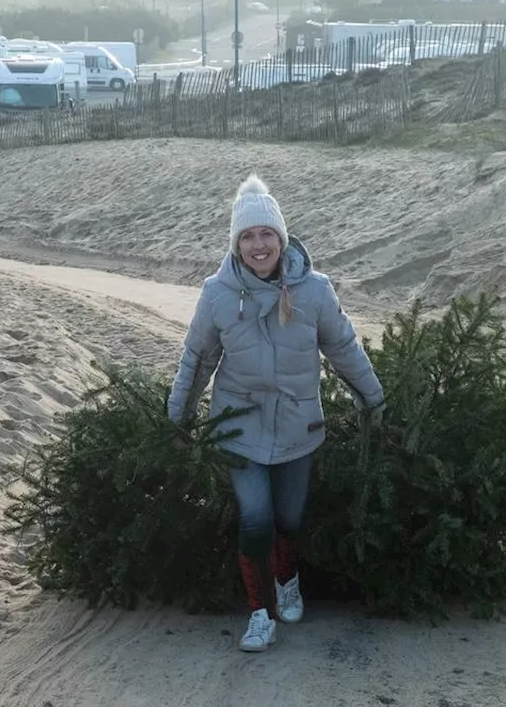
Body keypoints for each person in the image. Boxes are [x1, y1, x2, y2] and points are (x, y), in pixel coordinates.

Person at [167, 174, 384, 653]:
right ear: (236, 243)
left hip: (298, 425)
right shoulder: (218, 293)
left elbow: (343, 348)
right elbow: (198, 357)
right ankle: (259, 611)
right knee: (256, 518)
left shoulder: (315, 291)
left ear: (281, 239)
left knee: (289, 517)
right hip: (238, 425)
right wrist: (178, 412)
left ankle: (287, 578)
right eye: (247, 236)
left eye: (266, 234)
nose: (258, 245)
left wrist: (374, 398)